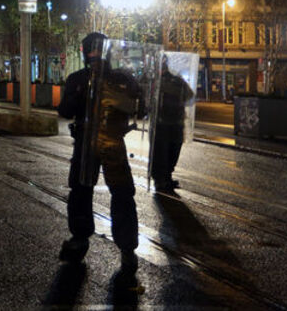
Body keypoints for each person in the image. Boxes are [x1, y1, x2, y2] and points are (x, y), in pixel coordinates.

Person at [57, 32, 142, 274]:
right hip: (110, 143)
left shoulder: (79, 78)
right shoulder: (122, 79)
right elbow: (140, 108)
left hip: (88, 143)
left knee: (83, 191)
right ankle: (126, 249)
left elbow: (64, 110)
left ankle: (82, 239)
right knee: (120, 194)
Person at [151, 60, 194, 192]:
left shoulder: (156, 82)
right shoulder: (178, 81)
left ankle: (161, 179)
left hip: (163, 123)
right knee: (171, 152)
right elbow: (190, 96)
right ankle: (165, 177)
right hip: (175, 122)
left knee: (161, 153)